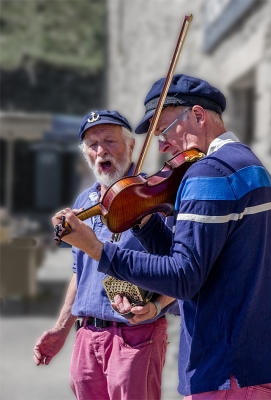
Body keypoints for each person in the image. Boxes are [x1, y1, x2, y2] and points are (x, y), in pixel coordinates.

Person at [51, 75, 271, 400]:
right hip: (263, 363)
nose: (161, 145)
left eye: (163, 130)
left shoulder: (208, 173)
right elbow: (201, 262)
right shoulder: (249, 165)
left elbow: (183, 277)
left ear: (198, 116)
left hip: (227, 370)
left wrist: (96, 248)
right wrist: (145, 221)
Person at [33, 109, 177, 400]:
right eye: (92, 144)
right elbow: (80, 273)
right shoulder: (84, 202)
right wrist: (61, 328)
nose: (101, 151)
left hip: (135, 336)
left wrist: (157, 307)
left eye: (109, 141)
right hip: (87, 337)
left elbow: (182, 268)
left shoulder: (157, 197)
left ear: (131, 145)